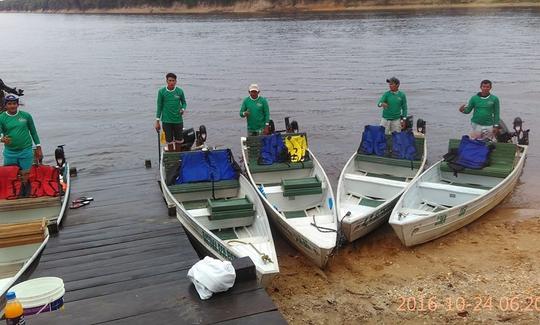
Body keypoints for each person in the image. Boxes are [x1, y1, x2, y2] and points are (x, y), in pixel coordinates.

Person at [0, 94, 42, 194]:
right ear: (5, 105)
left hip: (26, 150)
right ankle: (13, 193)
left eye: (14, 103)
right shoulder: (1, 117)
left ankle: (27, 194)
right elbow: (0, 132)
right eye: (9, 104)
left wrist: (38, 147)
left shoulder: (26, 116)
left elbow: (33, 132)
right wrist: (2, 138)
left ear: (18, 104)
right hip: (10, 152)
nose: (12, 106)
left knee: (26, 175)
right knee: (10, 174)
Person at [155, 73, 187, 152]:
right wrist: (157, 122)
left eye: (173, 80)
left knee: (179, 141)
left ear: (176, 81)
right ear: (166, 81)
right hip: (166, 121)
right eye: (170, 80)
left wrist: (183, 109)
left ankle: (178, 157)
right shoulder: (161, 92)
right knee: (169, 141)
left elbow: (184, 103)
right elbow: (159, 106)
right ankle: (172, 157)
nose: (171, 82)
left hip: (178, 120)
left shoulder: (180, 91)